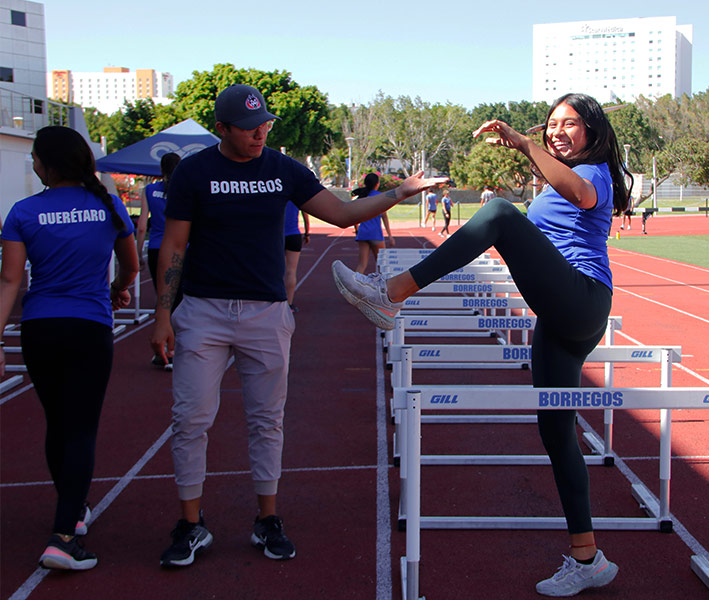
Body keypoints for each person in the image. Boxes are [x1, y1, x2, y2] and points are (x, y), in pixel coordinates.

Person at [332, 92, 632, 597]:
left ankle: (393, 294)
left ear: (593, 132)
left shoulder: (597, 171)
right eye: (551, 124)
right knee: (556, 432)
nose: (557, 131)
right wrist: (529, 150)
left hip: (582, 299)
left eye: (570, 124)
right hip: (560, 317)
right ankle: (589, 559)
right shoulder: (560, 174)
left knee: (498, 212)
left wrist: (521, 143)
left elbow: (580, 195)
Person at [150, 84, 446, 568]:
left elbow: (344, 213)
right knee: (191, 418)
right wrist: (164, 314)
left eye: (264, 123)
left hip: (266, 313)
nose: (260, 132)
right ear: (222, 129)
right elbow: (175, 246)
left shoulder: (283, 168)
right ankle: (190, 524)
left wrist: (400, 192)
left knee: (267, 420)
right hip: (203, 311)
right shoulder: (195, 172)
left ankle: (266, 518)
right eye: (248, 127)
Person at [0, 126, 140, 570]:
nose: (34, 166)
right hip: (88, 328)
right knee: (80, 428)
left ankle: (73, 510)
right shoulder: (108, 204)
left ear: (49, 165)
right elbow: (131, 266)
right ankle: (63, 536)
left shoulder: (23, 212)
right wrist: (117, 288)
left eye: (36, 160)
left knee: (58, 424)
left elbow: (10, 281)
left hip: (39, 329)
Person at [135, 152, 181, 368]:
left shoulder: (150, 190)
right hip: (182, 249)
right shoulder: (184, 189)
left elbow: (142, 225)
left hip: (156, 249)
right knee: (181, 300)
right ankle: (179, 348)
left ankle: (163, 350)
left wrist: (138, 254)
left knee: (163, 298)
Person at [352, 173, 394, 272]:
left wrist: (357, 229)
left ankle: (354, 285)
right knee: (381, 265)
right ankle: (381, 286)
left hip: (363, 233)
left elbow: (354, 216)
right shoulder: (380, 196)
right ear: (377, 184)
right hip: (375, 234)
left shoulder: (362, 196)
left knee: (362, 265)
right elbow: (384, 216)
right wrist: (390, 235)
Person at [283, 201, 310, 312]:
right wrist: (307, 233)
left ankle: (275, 300)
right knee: (291, 271)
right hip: (293, 235)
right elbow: (306, 217)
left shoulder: (278, 195)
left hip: (277, 235)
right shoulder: (296, 197)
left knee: (276, 270)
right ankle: (289, 304)